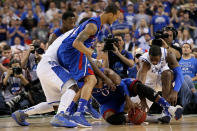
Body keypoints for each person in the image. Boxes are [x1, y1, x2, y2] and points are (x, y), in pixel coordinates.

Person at [12, 3, 120, 128]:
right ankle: (64, 115)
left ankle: (22, 113)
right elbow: (78, 49)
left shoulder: (79, 31)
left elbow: (83, 56)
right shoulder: (89, 27)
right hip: (50, 64)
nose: (116, 19)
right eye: (116, 16)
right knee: (75, 86)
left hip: (49, 65)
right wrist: (95, 55)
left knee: (55, 104)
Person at [76, 67, 183, 124]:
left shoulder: (108, 73)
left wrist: (128, 99)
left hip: (123, 90)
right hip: (108, 102)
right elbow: (79, 97)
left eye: (100, 84)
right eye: (96, 86)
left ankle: (169, 107)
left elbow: (121, 84)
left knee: (139, 86)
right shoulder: (84, 82)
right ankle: (152, 119)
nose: (99, 87)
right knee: (109, 118)